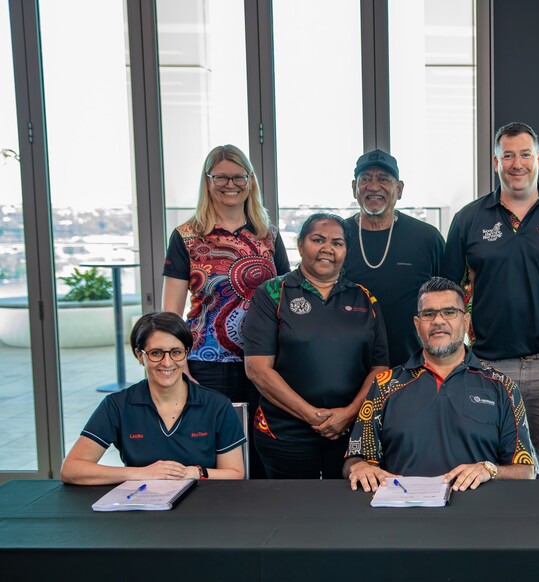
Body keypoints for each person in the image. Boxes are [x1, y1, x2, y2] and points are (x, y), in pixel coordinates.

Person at [442, 122, 539, 479]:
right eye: (507, 155)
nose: (517, 164)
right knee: (487, 468)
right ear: (495, 162)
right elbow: (451, 289)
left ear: (538, 159)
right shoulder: (469, 218)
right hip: (487, 366)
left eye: (525, 154)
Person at [162, 144, 289, 479]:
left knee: (264, 448)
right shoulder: (186, 236)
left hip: (265, 362)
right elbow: (171, 315)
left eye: (238, 176)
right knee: (214, 449)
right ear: (207, 181)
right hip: (207, 364)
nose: (230, 184)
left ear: (250, 181)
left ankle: (261, 525)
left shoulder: (268, 236)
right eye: (221, 177)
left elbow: (285, 299)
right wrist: (181, 365)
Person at [344, 277, 537, 492]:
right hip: (401, 512)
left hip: (477, 515)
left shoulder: (502, 388)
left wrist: (490, 470)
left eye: (449, 312)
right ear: (417, 325)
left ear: (466, 322)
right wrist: (359, 466)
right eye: (429, 314)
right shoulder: (385, 385)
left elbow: (526, 471)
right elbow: (355, 459)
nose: (438, 321)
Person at [243, 213, 389, 479]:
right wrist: (312, 416)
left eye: (337, 243)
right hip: (285, 431)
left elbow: (379, 369)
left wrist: (348, 414)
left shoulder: (365, 298)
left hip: (350, 430)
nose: (327, 249)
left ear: (346, 251)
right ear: (300, 245)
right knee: (290, 512)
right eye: (317, 240)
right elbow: (257, 370)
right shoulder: (272, 293)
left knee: (348, 510)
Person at [60, 312, 245, 484]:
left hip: (204, 507)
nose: (167, 363)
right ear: (140, 356)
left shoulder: (216, 405)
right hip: (142, 507)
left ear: (186, 353)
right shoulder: (117, 405)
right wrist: (142, 473)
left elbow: (235, 473)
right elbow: (71, 469)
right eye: (156, 353)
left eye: (176, 352)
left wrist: (190, 472)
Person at [342, 149, 445, 367]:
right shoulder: (338, 237)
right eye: (365, 179)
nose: (373, 186)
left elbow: (446, 299)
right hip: (350, 368)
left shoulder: (427, 237)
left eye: (383, 179)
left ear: (399, 189)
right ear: (354, 188)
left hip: (414, 366)